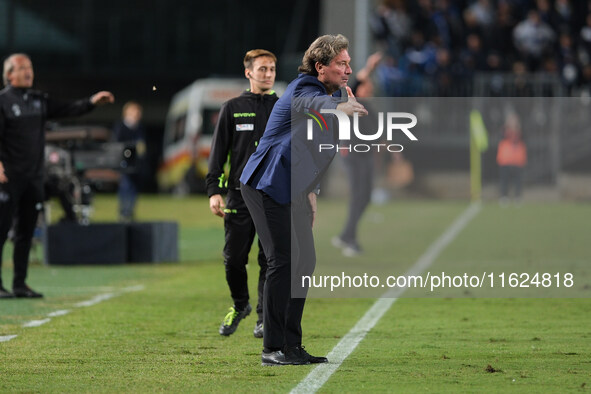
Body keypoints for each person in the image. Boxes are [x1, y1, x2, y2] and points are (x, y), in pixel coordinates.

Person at [240, 34, 367, 366]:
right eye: (342, 63)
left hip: (292, 187)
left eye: (348, 62)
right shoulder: (305, 87)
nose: (348, 68)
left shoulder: (330, 93)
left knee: (305, 261)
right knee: (282, 260)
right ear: (320, 66)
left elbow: (318, 149)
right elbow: (308, 104)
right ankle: (272, 348)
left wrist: (312, 192)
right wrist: (339, 106)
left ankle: (292, 346)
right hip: (265, 183)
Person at [0, 53, 114, 299]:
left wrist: (92, 102)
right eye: (22, 68)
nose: (28, 72)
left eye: (30, 67)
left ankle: (20, 284)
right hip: (8, 177)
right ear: (9, 74)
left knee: (26, 233)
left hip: (33, 177)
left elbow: (67, 108)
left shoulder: (39, 100)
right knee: (1, 231)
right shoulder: (3, 101)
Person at [206, 49, 278, 338]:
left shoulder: (282, 107)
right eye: (262, 69)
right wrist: (214, 191)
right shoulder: (232, 108)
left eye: (272, 68)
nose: (268, 73)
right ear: (248, 73)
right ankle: (240, 305)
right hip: (238, 196)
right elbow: (217, 154)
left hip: (273, 196)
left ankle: (264, 317)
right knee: (234, 259)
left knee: (269, 260)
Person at [112, 101, 146, 222]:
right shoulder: (121, 127)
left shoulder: (139, 127)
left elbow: (142, 146)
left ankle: (130, 211)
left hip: (136, 165)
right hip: (125, 164)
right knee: (126, 187)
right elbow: (117, 145)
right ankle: (124, 212)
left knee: (134, 189)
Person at [496, 113, 527, 204]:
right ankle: (504, 196)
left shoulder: (520, 132)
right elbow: (502, 136)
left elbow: (523, 138)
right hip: (506, 160)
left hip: (517, 160)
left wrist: (517, 128)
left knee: (518, 181)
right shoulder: (504, 132)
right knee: (504, 180)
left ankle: (518, 197)